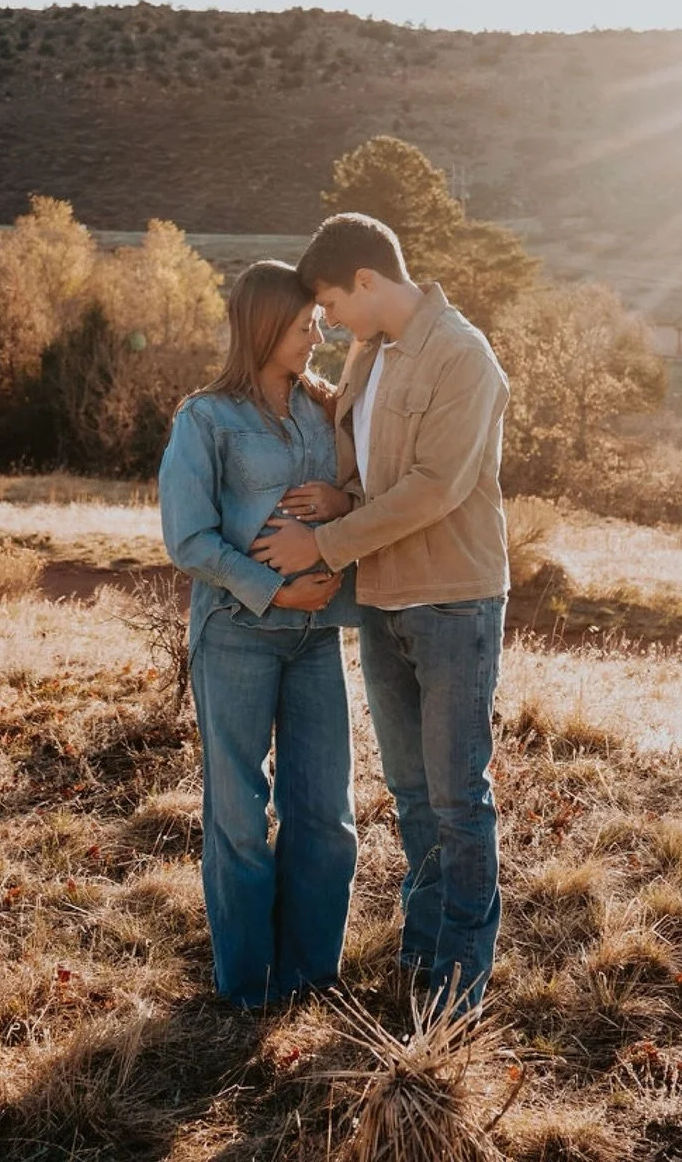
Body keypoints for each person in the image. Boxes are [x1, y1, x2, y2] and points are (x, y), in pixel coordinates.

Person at [252, 213, 509, 1010]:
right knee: (409, 790)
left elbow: (435, 488)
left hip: (452, 603)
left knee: (457, 795)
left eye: (330, 304)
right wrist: (339, 495)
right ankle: (423, 952)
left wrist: (323, 544)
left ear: (367, 281)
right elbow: (373, 470)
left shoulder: (463, 358)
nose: (327, 324)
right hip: (385, 601)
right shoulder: (370, 353)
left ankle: (459, 983)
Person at [158, 260, 360, 1010]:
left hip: (318, 636)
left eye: (317, 321)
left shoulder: (327, 410)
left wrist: (341, 500)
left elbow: (368, 489)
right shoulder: (205, 418)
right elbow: (188, 540)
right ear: (263, 326)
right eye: (303, 323)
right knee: (240, 813)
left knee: (326, 813)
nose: (315, 334)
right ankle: (246, 991)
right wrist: (272, 584)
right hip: (237, 634)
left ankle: (310, 981)